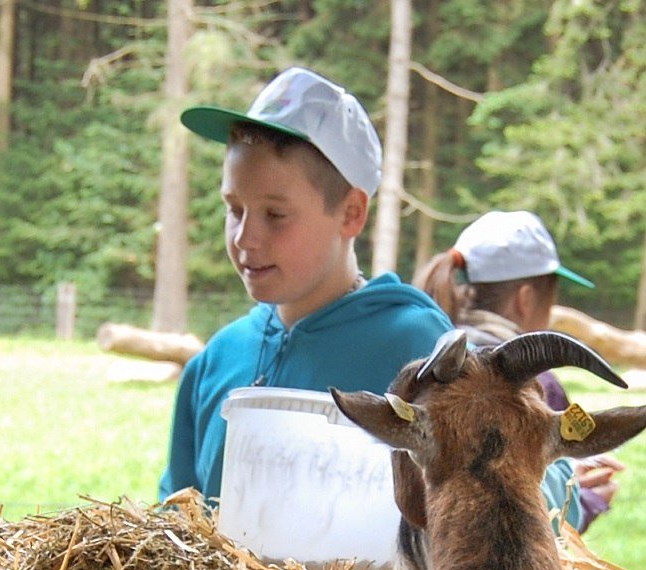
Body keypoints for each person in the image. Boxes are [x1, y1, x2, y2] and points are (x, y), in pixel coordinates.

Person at [158, 66, 453, 503]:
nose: (244, 238)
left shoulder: (419, 352)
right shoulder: (217, 359)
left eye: (275, 215)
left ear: (351, 213)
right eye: (234, 208)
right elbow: (174, 518)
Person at [415, 210, 618, 531]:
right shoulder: (533, 384)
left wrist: (563, 474)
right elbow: (529, 515)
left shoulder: (429, 358)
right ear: (525, 299)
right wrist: (584, 502)